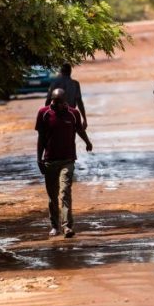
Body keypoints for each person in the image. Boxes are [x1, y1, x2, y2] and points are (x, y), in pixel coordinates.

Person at [35, 88, 93, 238]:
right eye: (54, 102)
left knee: (65, 192)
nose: (56, 105)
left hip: (67, 160)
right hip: (49, 161)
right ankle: (55, 226)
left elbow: (79, 130)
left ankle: (67, 226)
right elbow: (41, 138)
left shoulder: (73, 113)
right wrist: (39, 159)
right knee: (52, 196)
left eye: (59, 102)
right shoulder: (44, 113)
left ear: (65, 101)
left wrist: (87, 142)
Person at [46, 63, 88, 129]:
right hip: (70, 115)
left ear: (61, 71)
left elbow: (48, 100)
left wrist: (46, 115)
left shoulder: (54, 83)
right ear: (70, 71)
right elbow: (79, 102)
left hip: (56, 115)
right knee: (74, 133)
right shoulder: (75, 84)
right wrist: (84, 119)